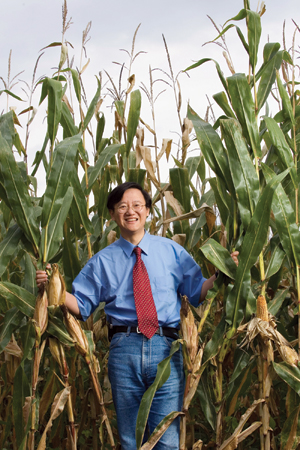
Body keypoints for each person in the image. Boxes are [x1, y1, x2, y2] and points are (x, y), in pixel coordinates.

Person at [36, 181, 238, 450]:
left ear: (147, 211)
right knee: (131, 440)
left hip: (167, 349)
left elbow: (197, 291)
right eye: (122, 206)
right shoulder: (102, 260)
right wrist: (52, 286)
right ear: (112, 214)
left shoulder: (172, 251)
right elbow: (81, 304)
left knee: (166, 438)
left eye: (137, 205)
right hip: (124, 350)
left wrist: (222, 272)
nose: (130, 211)